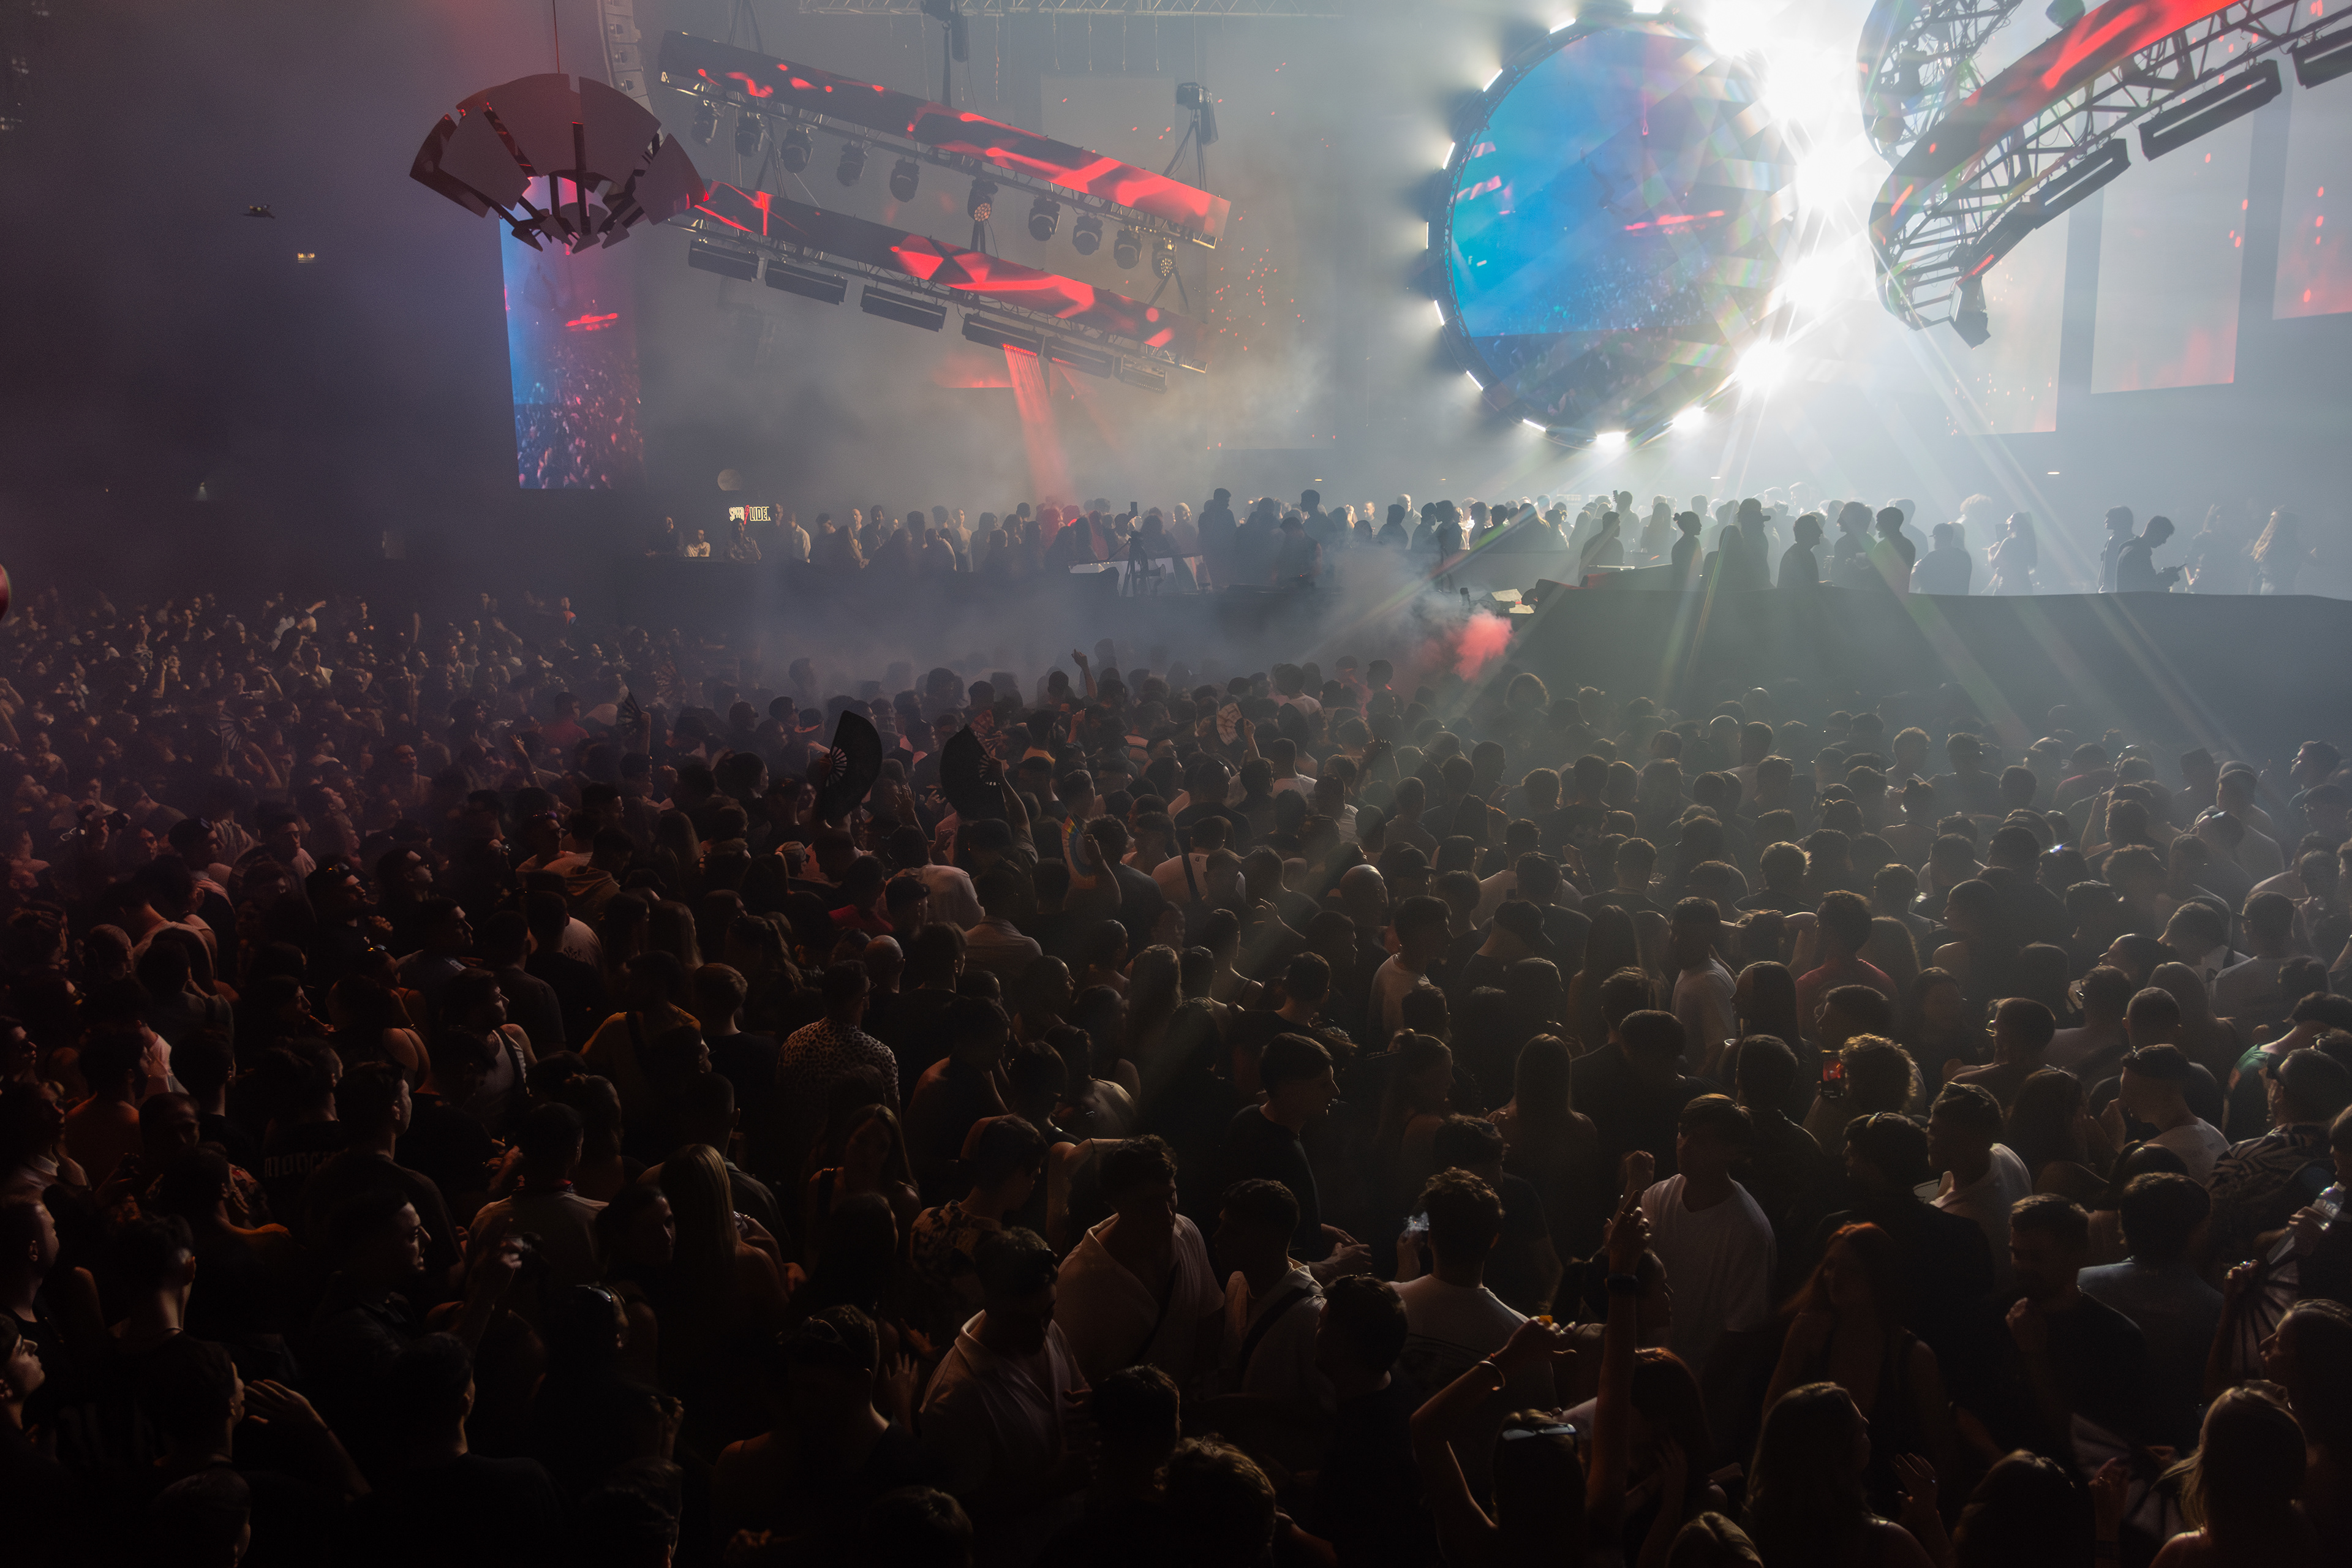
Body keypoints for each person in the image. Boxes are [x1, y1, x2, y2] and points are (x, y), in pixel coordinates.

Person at [919, 1227, 1091, 1567]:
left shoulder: (1046, 1328)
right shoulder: (954, 1398)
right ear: (990, 1303)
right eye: (1024, 1320)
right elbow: (965, 1512)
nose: (1041, 1332)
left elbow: (1079, 1388)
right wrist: (1061, 1480)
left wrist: (1092, 1407)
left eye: (1049, 1312)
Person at [1762, 1223, 1952, 1518]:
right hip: (1812, 1505)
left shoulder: (1912, 1357)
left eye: (1852, 1270)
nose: (1835, 1278)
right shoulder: (1809, 1334)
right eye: (1830, 1266)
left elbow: (1942, 1451)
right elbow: (1772, 1417)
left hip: (1889, 1510)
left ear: (1879, 1277)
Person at [1393, 1169, 1555, 1504]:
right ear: (1494, 1239)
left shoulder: (1387, 1305)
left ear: (1431, 1237)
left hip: (1386, 1490)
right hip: (1473, 1504)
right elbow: (1539, 1435)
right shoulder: (1522, 1338)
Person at [1051, 1136, 1223, 1387]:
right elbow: (1067, 1377)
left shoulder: (1187, 1234)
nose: (1167, 1213)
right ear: (1116, 1203)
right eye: (1149, 1202)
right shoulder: (1079, 1279)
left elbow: (1209, 1316)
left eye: (1170, 1196)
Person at [2076, 1172, 2221, 1450]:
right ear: (2193, 1234)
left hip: (2091, 1442)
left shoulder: (2082, 1285)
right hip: (2176, 1448)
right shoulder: (2214, 1306)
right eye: (2205, 1228)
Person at [1639, 1095, 1776, 1381]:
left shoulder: (1747, 1230)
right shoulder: (1658, 1197)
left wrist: (1698, 1387)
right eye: (1683, 1133)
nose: (1684, 1146)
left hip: (1699, 1377)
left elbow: (1740, 1332)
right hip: (1650, 1366)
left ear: (1732, 1151)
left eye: (1701, 1140)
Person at [1744, 1382, 1937, 1568]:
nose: (1866, 1421)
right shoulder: (1884, 1540)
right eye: (1857, 1426)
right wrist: (1929, 1521)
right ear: (1833, 1451)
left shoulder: (1755, 1537)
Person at [1926, 1084, 2035, 1292]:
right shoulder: (2006, 1156)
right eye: (1932, 1130)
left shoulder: (1960, 1221)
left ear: (1981, 1141)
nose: (1934, 1143)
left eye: (1949, 1139)